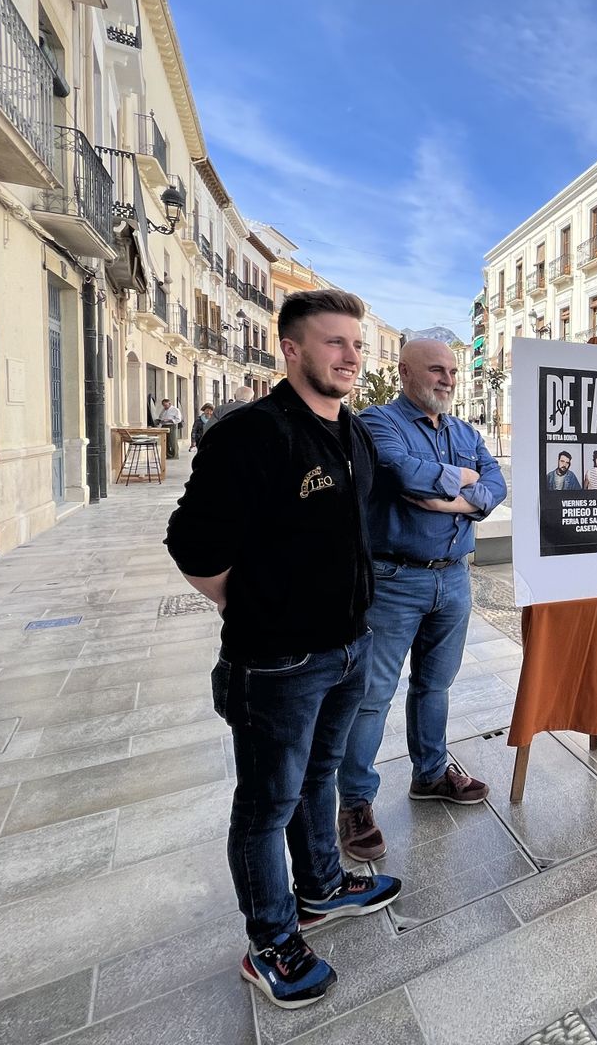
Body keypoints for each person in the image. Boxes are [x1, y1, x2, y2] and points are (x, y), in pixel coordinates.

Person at [164, 289, 402, 1011]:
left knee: (319, 779)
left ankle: (323, 887)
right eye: (334, 343)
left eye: (356, 345)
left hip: (347, 649)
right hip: (277, 662)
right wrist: (252, 601)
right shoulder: (254, 433)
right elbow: (192, 542)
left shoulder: (351, 432)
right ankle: (271, 941)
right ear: (291, 350)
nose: (351, 357)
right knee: (266, 805)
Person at [335, 338, 506, 862]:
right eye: (437, 370)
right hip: (394, 579)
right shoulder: (377, 422)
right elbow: (404, 475)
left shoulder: (463, 431)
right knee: (372, 694)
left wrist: (450, 496)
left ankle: (430, 774)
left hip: (453, 577)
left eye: (453, 371)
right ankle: (356, 804)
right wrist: (462, 488)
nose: (449, 380)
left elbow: (496, 484)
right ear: (405, 372)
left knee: (436, 685)